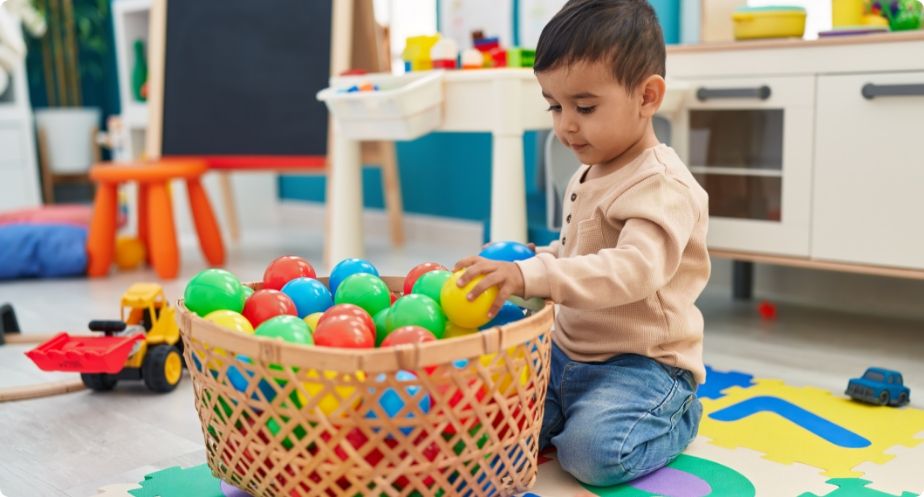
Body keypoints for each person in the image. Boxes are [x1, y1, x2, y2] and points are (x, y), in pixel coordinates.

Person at [453, 0, 710, 485]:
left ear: (647, 96)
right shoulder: (591, 169)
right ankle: (572, 412)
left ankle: (678, 415)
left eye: (585, 107)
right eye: (555, 105)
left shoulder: (662, 185)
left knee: (593, 456)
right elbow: (579, 254)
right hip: (566, 353)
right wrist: (532, 260)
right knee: (494, 426)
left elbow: (632, 269)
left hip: (642, 366)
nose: (565, 124)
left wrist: (537, 275)